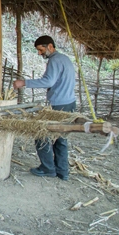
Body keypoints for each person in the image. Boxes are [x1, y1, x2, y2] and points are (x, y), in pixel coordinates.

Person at [13, 35, 76, 181]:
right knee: (61, 138)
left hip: (60, 105)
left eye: (41, 50)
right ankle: (62, 171)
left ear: (50, 46)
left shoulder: (54, 60)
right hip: (70, 102)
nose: (39, 53)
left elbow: (48, 81)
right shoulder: (65, 59)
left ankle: (48, 168)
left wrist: (24, 82)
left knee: (40, 133)